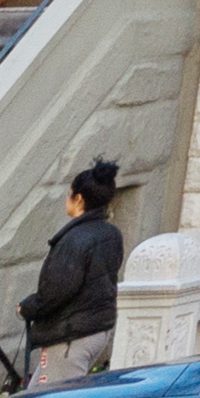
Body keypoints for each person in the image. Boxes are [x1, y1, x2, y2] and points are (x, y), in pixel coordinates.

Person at [21, 159, 125, 385]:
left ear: (78, 199)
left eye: (69, 195)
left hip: (71, 336)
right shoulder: (111, 234)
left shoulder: (74, 240)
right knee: (34, 395)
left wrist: (28, 307)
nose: (66, 200)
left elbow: (57, 291)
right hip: (97, 330)